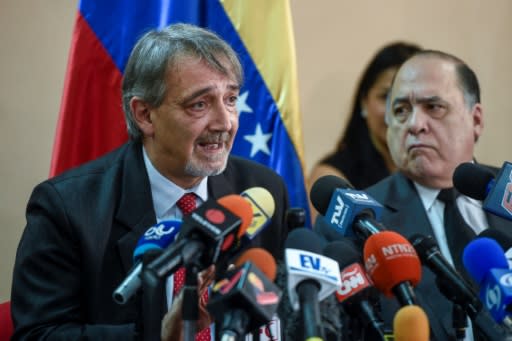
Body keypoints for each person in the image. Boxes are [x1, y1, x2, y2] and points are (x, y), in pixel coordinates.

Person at [10, 23, 289, 340]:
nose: (225, 122)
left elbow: (282, 311)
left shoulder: (262, 190)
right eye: (199, 104)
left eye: (230, 99)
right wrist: (154, 337)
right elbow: (38, 335)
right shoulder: (67, 209)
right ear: (144, 114)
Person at [366, 50, 512, 340]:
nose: (415, 124)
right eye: (401, 111)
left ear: (477, 120)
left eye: (434, 107)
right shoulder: (361, 223)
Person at [308, 42, 421, 223]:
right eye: (386, 96)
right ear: (364, 102)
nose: (396, 110)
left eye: (410, 99)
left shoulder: (433, 173)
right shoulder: (332, 177)